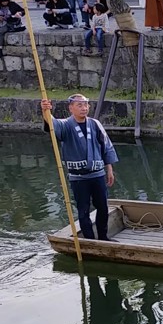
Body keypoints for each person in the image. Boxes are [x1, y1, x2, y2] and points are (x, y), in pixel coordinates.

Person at [40, 94, 118, 241]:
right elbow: (52, 124)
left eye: (86, 105)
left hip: (97, 174)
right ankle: (89, 239)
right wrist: (46, 111)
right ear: (71, 108)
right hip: (79, 178)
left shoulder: (95, 124)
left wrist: (110, 169)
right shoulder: (65, 125)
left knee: (103, 207)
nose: (84, 108)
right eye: (79, 105)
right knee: (83, 211)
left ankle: (103, 237)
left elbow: (106, 147)